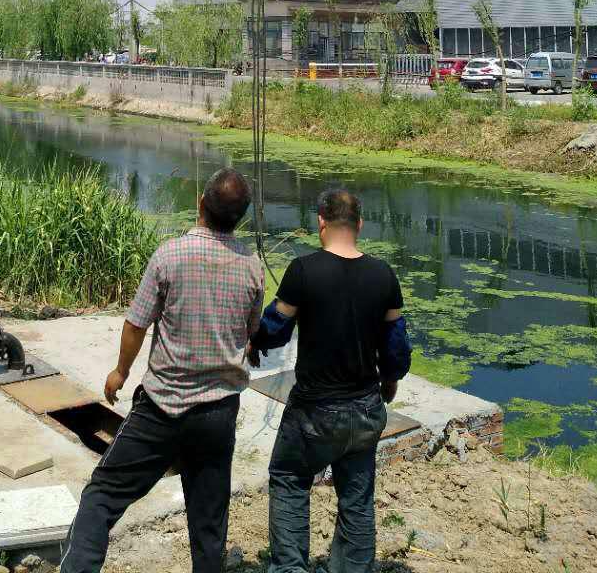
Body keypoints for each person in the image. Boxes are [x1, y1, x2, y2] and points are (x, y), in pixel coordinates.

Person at [60, 168, 264, 573]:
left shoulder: (170, 255)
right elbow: (251, 333)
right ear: (240, 219)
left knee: (101, 496)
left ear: (200, 205)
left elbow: (137, 323)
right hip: (218, 414)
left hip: (161, 409)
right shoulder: (253, 267)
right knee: (208, 524)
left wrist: (120, 372)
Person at [254, 188, 410, 573]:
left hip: (314, 412)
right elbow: (396, 346)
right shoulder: (384, 275)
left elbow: (275, 328)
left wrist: (251, 341)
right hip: (365, 409)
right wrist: (389, 381)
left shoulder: (304, 270)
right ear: (359, 224)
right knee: (357, 498)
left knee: (289, 479)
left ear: (320, 222)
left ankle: (290, 568)